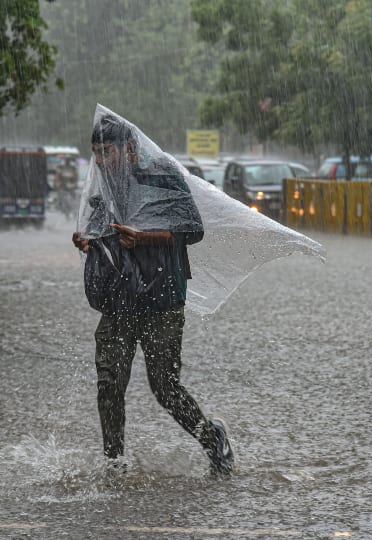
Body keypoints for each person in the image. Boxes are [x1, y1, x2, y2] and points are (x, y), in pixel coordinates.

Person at [72, 114, 234, 475]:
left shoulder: (162, 176)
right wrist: (87, 241)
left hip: (162, 298)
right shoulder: (105, 187)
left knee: (164, 386)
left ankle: (213, 439)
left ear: (130, 149)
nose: (101, 160)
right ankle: (114, 463)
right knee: (109, 383)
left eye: (108, 151)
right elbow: (102, 232)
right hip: (119, 299)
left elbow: (192, 230)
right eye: (96, 153)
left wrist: (143, 237)